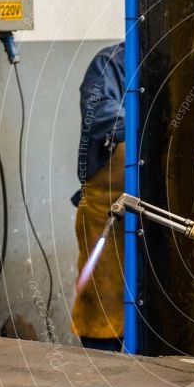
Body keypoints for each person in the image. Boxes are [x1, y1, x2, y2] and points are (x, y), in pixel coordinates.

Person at [71, 42, 126, 352]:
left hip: (150, 213)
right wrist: (150, 122)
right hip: (106, 212)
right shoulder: (110, 63)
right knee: (102, 305)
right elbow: (98, 112)